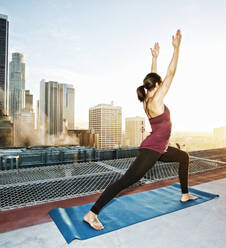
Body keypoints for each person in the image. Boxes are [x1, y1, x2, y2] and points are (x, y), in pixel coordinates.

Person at [83, 30, 198, 230]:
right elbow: (171, 73)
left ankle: (185, 193)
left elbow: (154, 77)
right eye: (161, 83)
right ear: (159, 85)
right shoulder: (156, 100)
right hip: (152, 150)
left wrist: (154, 59)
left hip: (160, 147)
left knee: (183, 157)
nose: (164, 84)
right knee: (127, 180)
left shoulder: (146, 99)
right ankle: (92, 213)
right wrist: (177, 49)